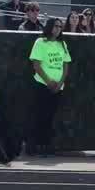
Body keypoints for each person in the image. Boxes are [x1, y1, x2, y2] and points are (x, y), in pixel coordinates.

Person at [28, 18, 71, 156]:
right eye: (55, 26)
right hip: (42, 85)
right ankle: (35, 145)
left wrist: (59, 83)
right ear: (49, 27)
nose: (58, 29)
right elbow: (36, 65)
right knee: (40, 115)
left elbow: (65, 66)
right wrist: (48, 81)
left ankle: (46, 145)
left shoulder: (62, 44)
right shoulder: (40, 42)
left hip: (58, 87)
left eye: (60, 27)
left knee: (51, 117)